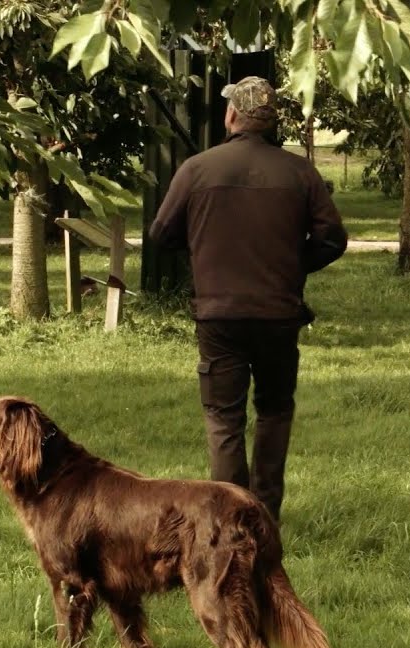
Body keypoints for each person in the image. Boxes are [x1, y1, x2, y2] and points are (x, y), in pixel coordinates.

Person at [148, 76, 348, 522]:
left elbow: (161, 234)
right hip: (279, 314)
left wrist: (203, 249)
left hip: (218, 316)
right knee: (275, 412)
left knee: (224, 418)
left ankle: (231, 520)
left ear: (232, 115)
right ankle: (266, 517)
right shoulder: (300, 172)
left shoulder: (197, 169)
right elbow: (333, 238)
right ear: (271, 120)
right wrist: (292, 266)